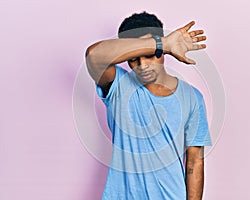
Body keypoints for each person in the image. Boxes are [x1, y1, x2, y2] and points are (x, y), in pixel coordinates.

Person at [85, 11, 212, 200]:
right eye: (134, 58)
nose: (142, 65)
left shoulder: (192, 97)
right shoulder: (118, 85)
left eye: (149, 55)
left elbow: (194, 161)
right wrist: (162, 44)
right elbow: (93, 55)